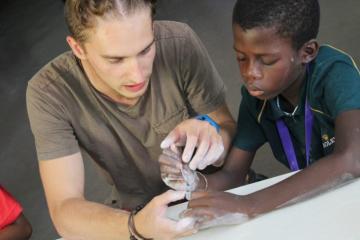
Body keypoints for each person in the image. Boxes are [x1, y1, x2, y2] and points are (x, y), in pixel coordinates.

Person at [26, 0, 236, 239]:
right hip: (136, 210)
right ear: (78, 49)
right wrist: (135, 227)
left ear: (152, 28)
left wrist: (214, 137)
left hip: (212, 190)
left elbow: (227, 126)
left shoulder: (179, 42)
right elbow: (64, 208)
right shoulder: (50, 92)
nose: (137, 74)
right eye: (115, 60)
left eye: (146, 50)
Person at [160, 0, 360, 225]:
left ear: (307, 52)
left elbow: (352, 158)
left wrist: (248, 205)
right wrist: (193, 181)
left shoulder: (334, 74)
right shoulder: (257, 101)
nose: (249, 73)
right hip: (326, 201)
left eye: (266, 61)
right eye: (241, 58)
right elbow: (232, 175)